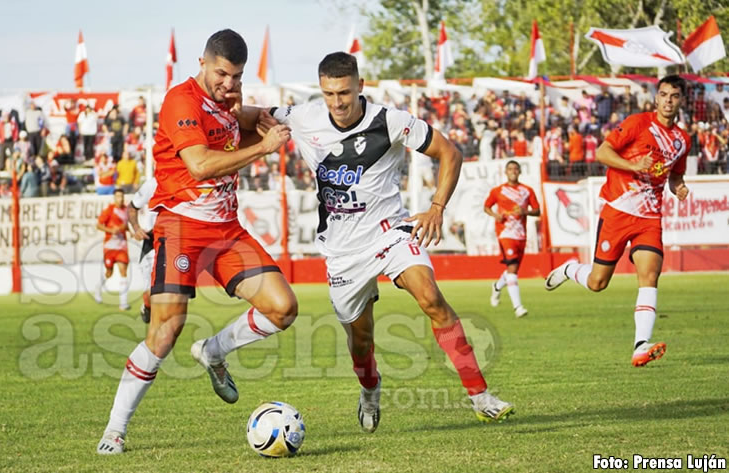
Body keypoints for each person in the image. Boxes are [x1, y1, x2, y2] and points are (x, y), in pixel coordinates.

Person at [251, 51, 514, 432]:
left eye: (344, 92)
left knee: (431, 297)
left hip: (391, 232)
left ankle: (481, 396)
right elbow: (249, 114)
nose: (337, 102)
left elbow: (450, 153)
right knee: (361, 341)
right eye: (329, 94)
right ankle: (370, 389)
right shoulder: (302, 116)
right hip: (342, 252)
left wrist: (437, 207)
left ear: (360, 86)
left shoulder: (390, 121)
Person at [96, 29, 298, 455]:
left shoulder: (229, 101)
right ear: (202, 63)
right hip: (182, 226)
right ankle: (114, 430)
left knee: (283, 308)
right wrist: (264, 146)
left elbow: (251, 118)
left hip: (226, 229)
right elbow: (200, 165)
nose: (229, 83)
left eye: (237, 76)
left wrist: (270, 117)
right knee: (165, 331)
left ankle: (213, 351)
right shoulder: (181, 100)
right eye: (222, 74)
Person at [545, 75, 691, 367]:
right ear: (656, 97)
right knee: (598, 282)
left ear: (682, 101)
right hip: (618, 211)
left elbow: (674, 176)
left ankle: (640, 345)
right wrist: (633, 165)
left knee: (650, 275)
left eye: (674, 96)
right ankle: (571, 269)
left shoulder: (682, 141)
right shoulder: (638, 123)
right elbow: (603, 152)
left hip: (650, 217)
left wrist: (679, 188)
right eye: (663, 94)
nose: (668, 101)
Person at [484, 160, 540, 318]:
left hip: (521, 234)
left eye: (516, 169)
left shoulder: (527, 190)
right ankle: (518, 307)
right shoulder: (498, 191)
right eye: (510, 169)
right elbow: (486, 206)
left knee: (512, 270)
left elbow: (537, 211)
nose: (513, 171)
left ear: (520, 171)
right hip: (505, 233)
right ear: (506, 172)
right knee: (513, 269)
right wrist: (496, 215)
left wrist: (525, 212)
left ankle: (497, 286)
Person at [125, 177, 157, 324]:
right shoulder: (153, 184)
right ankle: (147, 306)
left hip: (179, 241)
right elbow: (132, 207)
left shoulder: (189, 180)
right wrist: (136, 228)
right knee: (151, 291)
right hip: (153, 241)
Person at [94, 188, 131, 311]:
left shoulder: (126, 210)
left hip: (122, 246)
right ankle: (98, 288)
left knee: (123, 271)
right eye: (118, 196)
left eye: (122, 196)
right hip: (109, 246)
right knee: (109, 273)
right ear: (114, 198)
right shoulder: (109, 210)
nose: (120, 199)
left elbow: (127, 226)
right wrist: (111, 230)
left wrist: (129, 231)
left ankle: (123, 303)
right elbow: (99, 225)